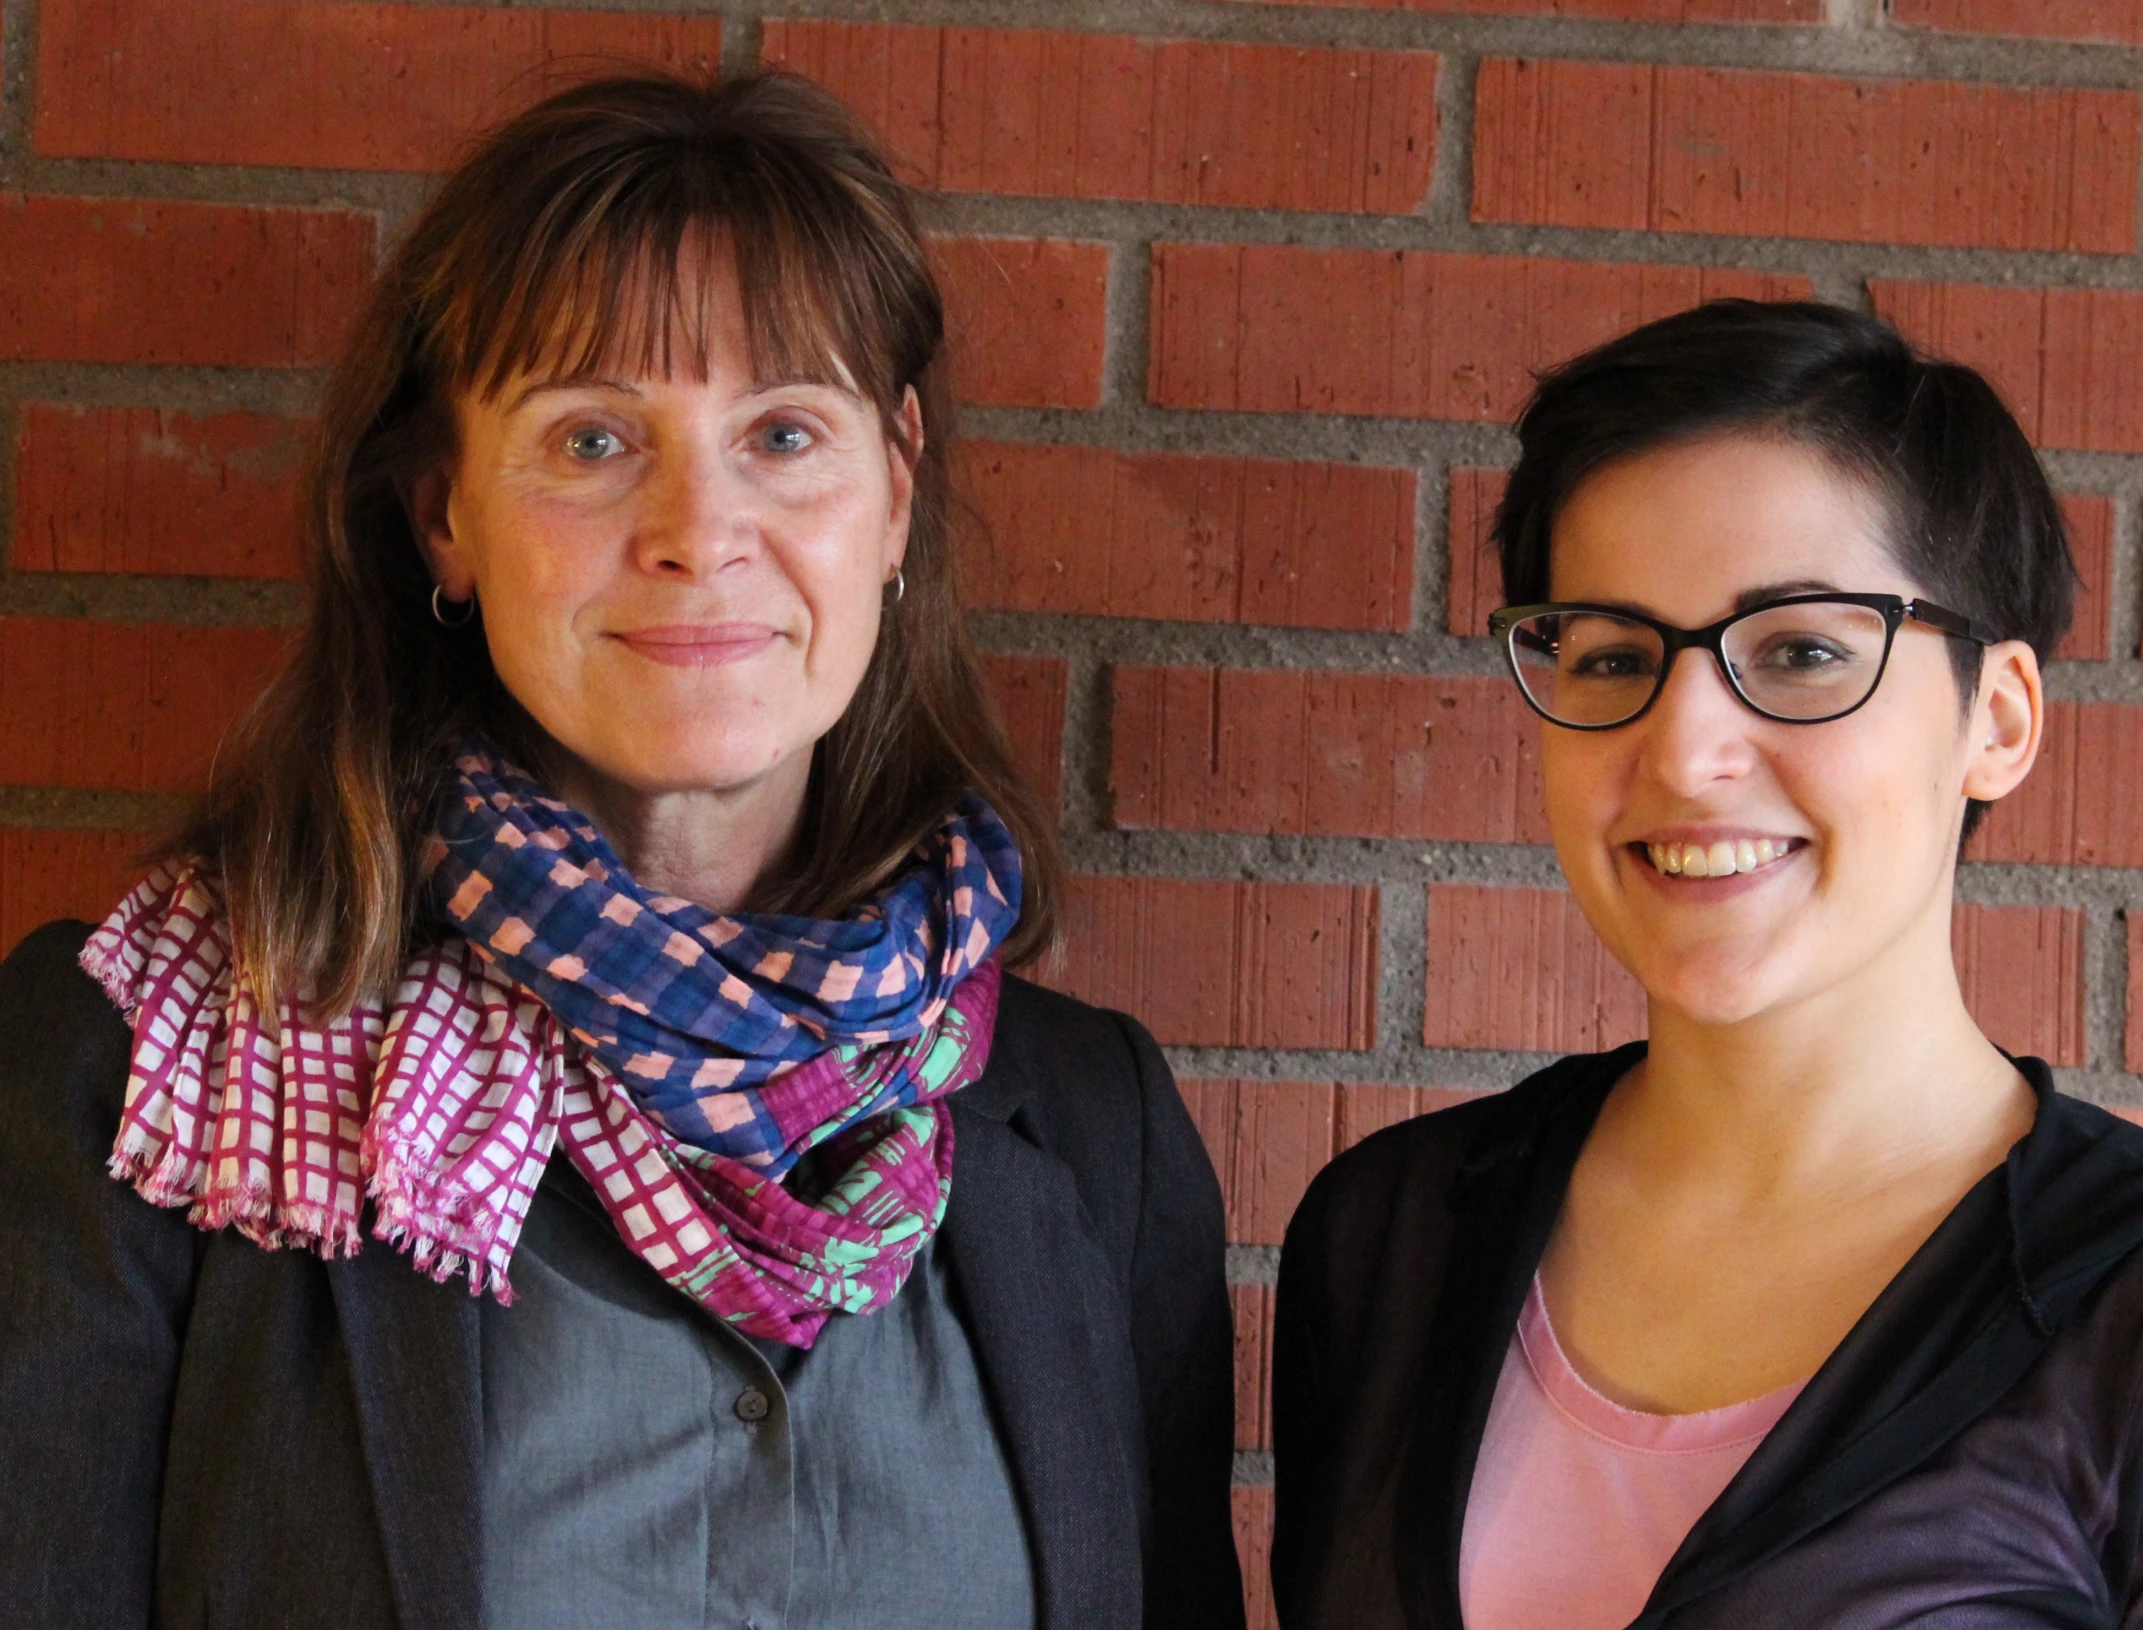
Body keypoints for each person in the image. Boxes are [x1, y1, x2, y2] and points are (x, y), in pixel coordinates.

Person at [0, 70, 1242, 1630]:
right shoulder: (164, 1065)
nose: (697, 528)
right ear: (443, 513)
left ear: (896, 488)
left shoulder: (1090, 1125)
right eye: (593, 439)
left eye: (785, 432)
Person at [1270, 301, 2143, 1630]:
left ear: (1999, 719)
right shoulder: (1393, 1231)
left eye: (1801, 652)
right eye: (1614, 654)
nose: (1684, 751)